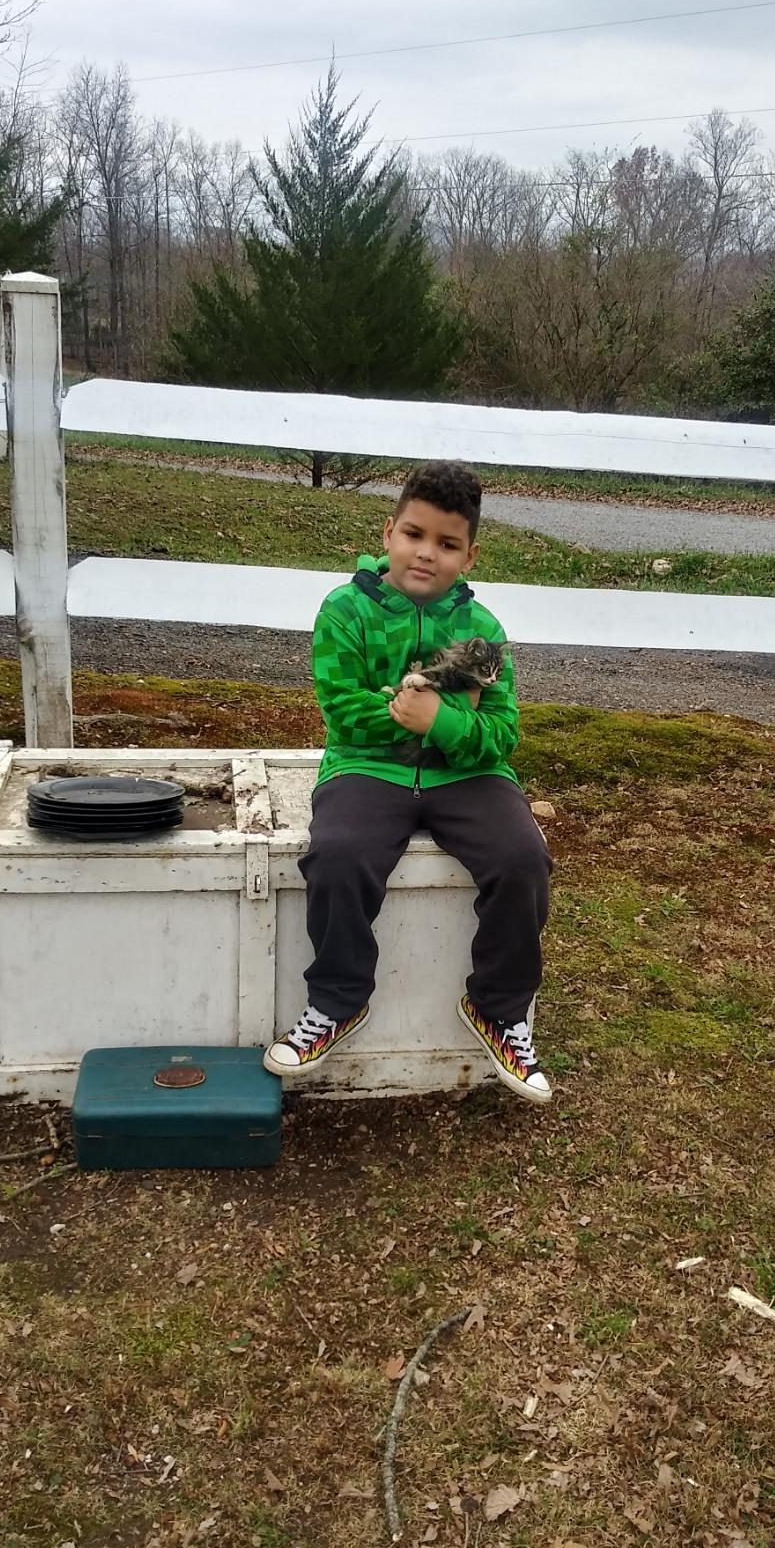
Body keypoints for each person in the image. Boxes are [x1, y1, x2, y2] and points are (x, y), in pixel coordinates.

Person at [263, 460, 553, 1102]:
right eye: (415, 535)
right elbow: (342, 711)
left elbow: (501, 735)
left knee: (523, 859)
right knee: (338, 855)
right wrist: (416, 714)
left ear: (469, 553)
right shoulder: (346, 610)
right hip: (367, 770)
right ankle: (338, 1001)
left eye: (447, 544)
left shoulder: (484, 632)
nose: (427, 553)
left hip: (469, 777)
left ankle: (499, 1011)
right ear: (390, 531)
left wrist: (442, 723)